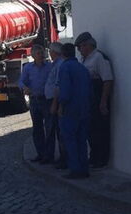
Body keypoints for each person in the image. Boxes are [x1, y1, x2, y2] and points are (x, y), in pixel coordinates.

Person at [75, 31, 114, 168]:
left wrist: (103, 101)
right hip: (87, 98)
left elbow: (107, 80)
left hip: (97, 96)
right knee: (90, 130)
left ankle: (101, 159)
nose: (79, 50)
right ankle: (94, 156)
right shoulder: (84, 59)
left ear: (88, 45)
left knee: (100, 129)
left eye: (80, 47)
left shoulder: (99, 58)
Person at [57, 42, 92, 179]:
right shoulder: (82, 68)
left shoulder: (65, 67)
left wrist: (61, 106)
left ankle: (75, 169)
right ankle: (84, 168)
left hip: (71, 109)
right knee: (82, 140)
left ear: (63, 54)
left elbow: (64, 91)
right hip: (84, 108)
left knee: (70, 140)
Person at [19, 43, 52, 163]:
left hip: (46, 100)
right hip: (34, 100)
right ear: (33, 55)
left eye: (42, 52)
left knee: (49, 128)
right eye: (38, 53)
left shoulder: (49, 67)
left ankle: (49, 155)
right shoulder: (28, 68)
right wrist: (25, 88)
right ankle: (41, 153)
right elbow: (21, 82)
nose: (41, 55)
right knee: (37, 129)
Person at [45, 41, 67, 168]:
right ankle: (59, 157)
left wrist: (55, 104)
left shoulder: (59, 65)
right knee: (54, 130)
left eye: (50, 51)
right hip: (53, 100)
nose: (49, 53)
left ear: (54, 52)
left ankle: (64, 158)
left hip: (55, 101)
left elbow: (58, 85)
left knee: (59, 131)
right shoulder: (56, 64)